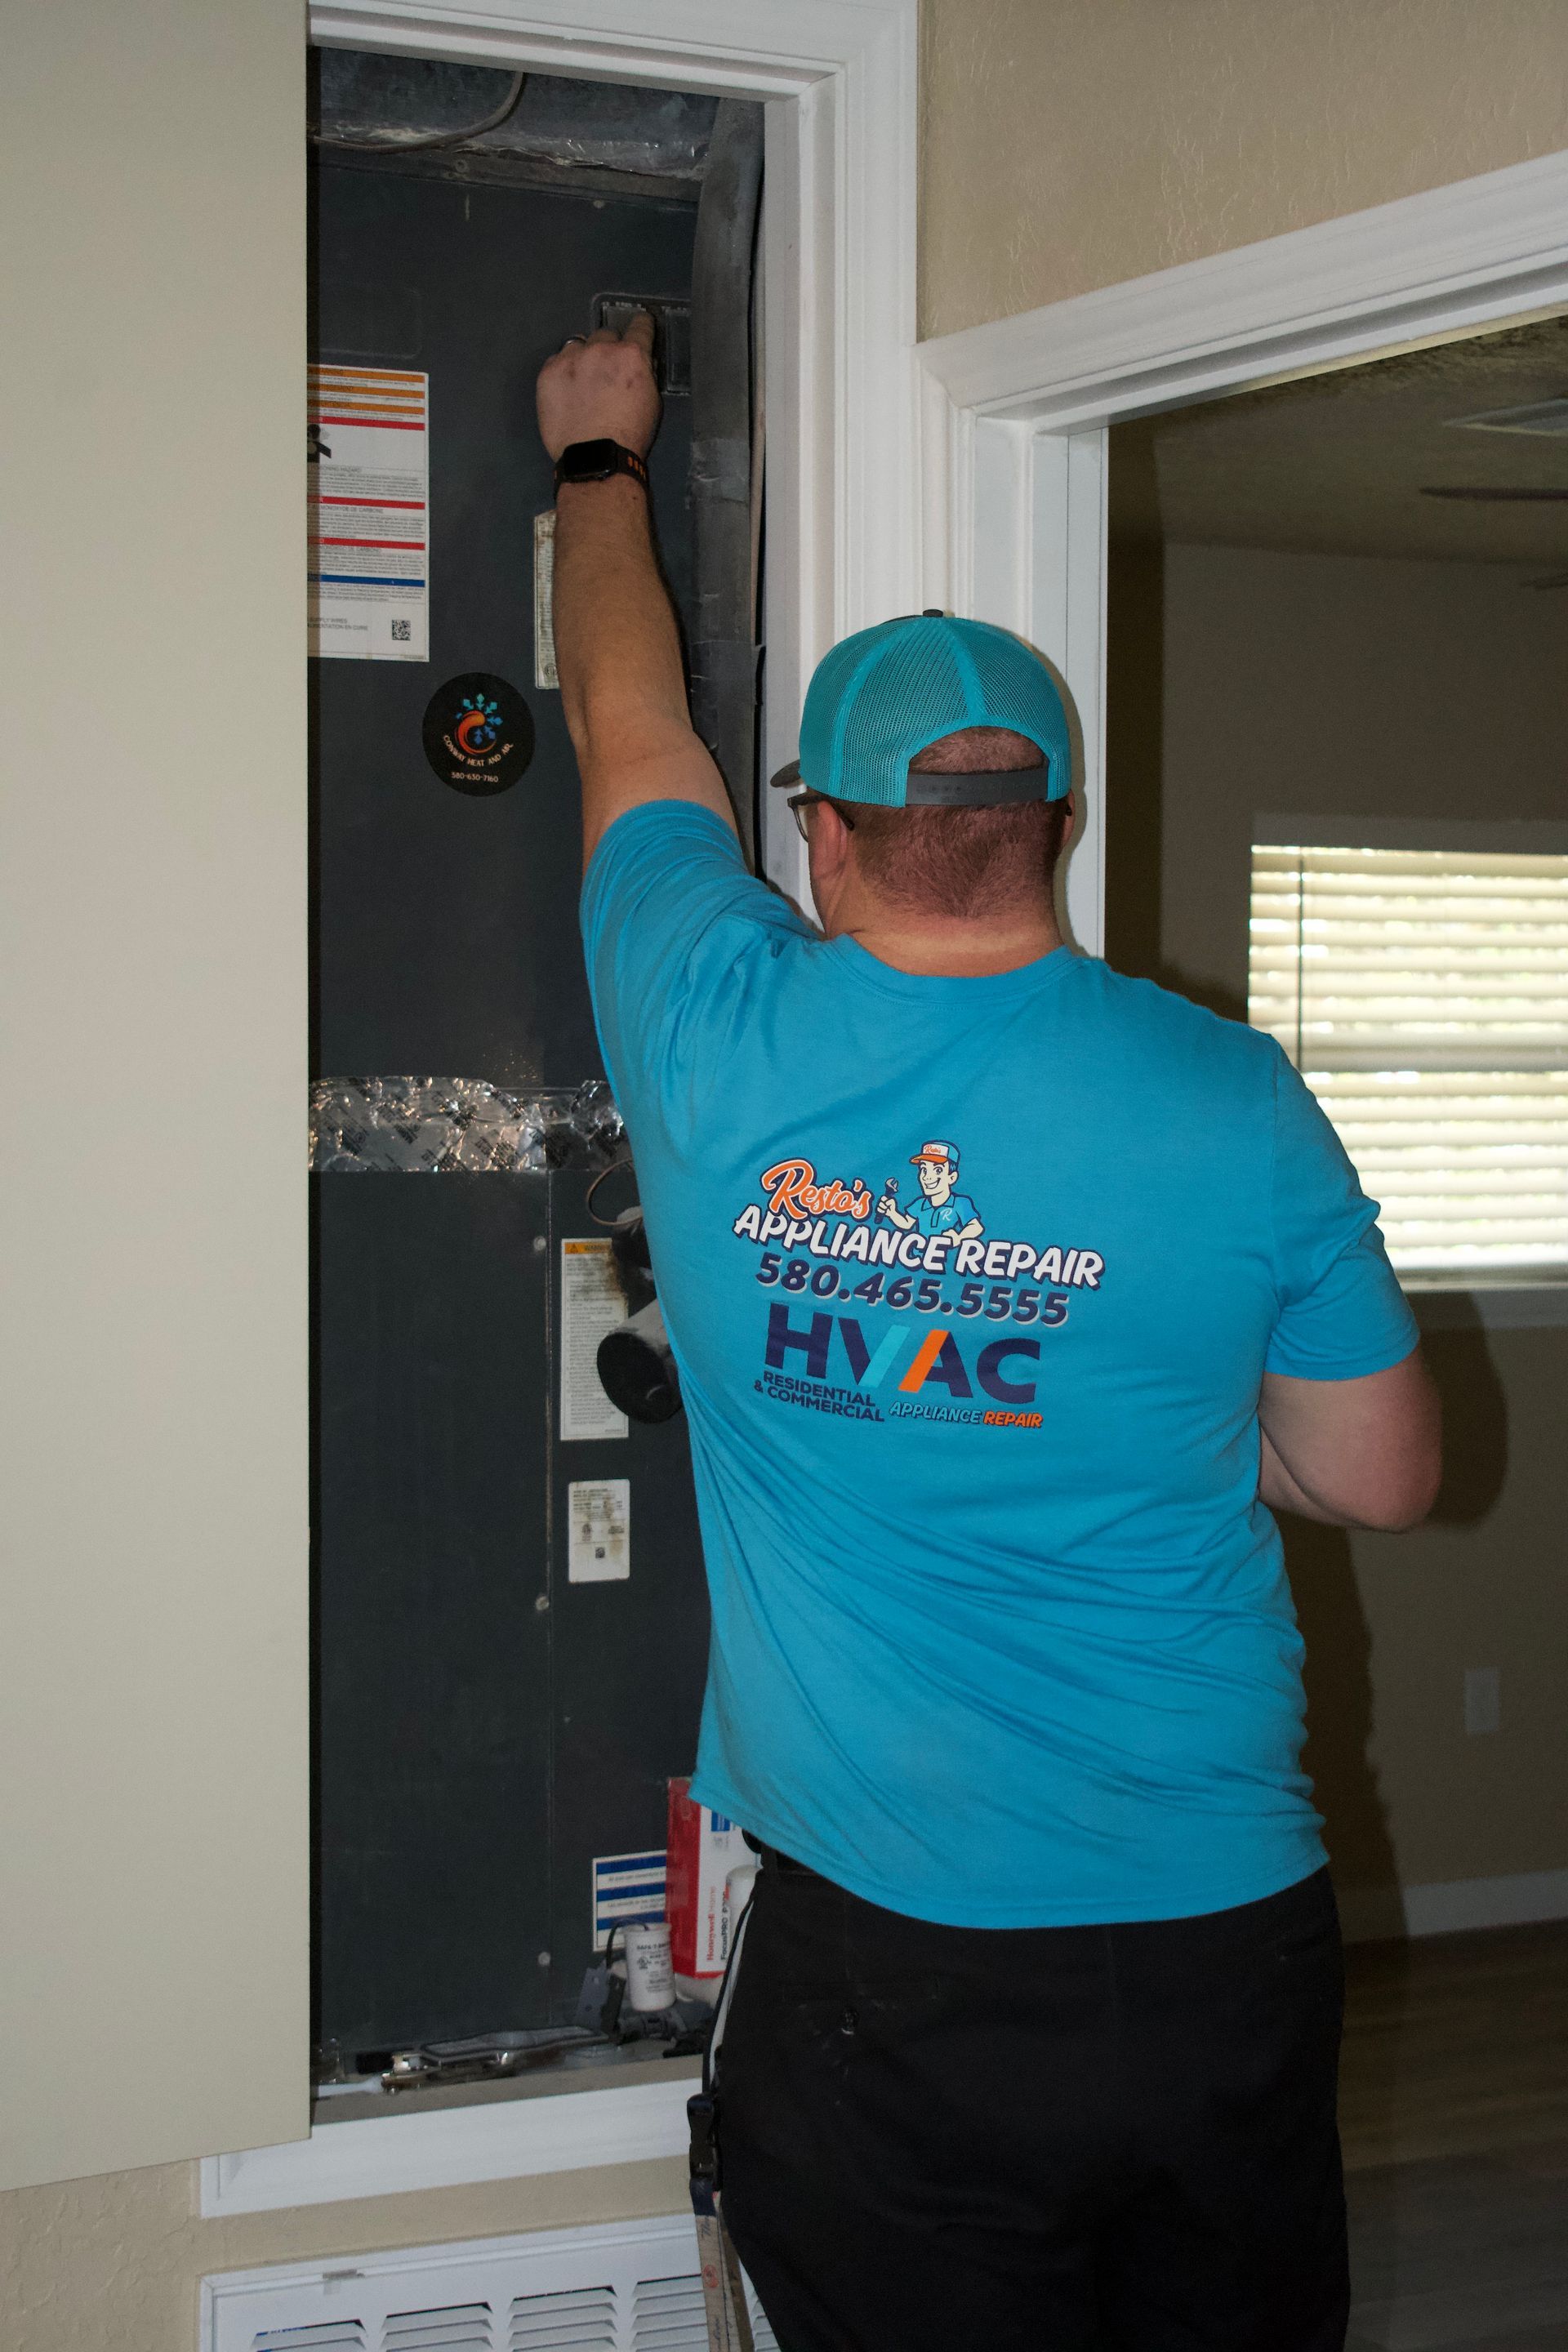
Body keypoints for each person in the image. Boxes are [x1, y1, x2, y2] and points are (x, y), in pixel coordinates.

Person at [537, 316, 1441, 2352]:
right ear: (1057, 826)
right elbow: (1383, 1475)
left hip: (900, 1980)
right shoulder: (1235, 1093)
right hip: (1223, 1947)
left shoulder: (712, 1029)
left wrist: (599, 463)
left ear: (825, 838)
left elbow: (625, 734)